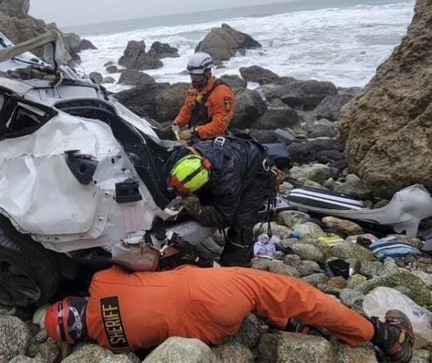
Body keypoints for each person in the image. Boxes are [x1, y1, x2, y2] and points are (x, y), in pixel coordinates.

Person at [43, 265, 414, 363]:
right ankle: (382, 336)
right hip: (212, 292)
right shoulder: (102, 282)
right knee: (294, 292)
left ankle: (292, 326)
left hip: (216, 332)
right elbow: (145, 261)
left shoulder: (113, 344)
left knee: (261, 304)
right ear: (74, 301)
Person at [163, 135, 274, 266]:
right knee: (200, 202)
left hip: (256, 172)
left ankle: (234, 266)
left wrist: (199, 210)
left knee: (241, 223)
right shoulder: (182, 156)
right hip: (233, 156)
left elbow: (224, 218)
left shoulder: (227, 183)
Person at [173, 52, 235, 141]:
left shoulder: (222, 93)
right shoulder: (194, 89)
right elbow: (187, 109)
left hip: (215, 139)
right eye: (192, 75)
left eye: (197, 76)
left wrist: (194, 132)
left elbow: (220, 125)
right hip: (196, 134)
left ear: (208, 73)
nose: (194, 79)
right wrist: (177, 123)